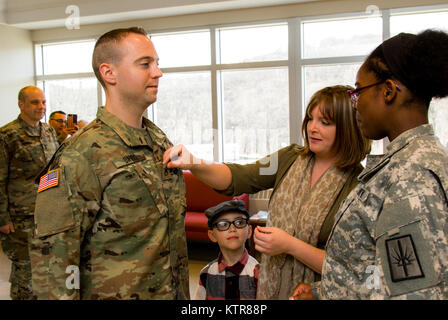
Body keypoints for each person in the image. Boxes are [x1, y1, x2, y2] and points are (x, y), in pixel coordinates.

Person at [164, 85, 371, 299]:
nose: (312, 128)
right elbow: (238, 176)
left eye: (325, 122)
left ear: (348, 128)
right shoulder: (288, 158)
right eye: (310, 119)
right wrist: (194, 163)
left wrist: (289, 245)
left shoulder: (359, 185)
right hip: (270, 288)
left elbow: (350, 268)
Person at [29, 27, 190, 300]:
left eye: (157, 63)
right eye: (145, 64)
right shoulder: (80, 156)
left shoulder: (157, 139)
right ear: (109, 73)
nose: (158, 73)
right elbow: (52, 267)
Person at [291, 29, 448, 300]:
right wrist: (323, 291)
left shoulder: (412, 175)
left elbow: (413, 293)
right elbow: (379, 273)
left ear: (388, 91)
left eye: (358, 91)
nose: (355, 104)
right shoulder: (402, 161)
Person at [0, 86, 59, 300]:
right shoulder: (7, 135)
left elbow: (55, 170)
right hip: (20, 215)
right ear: (21, 104)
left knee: (45, 266)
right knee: (25, 270)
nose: (41, 107)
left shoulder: (49, 132)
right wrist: (3, 218)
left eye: (43, 102)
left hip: (48, 212)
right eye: (35, 102)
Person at [194, 199, 259, 300]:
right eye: (223, 224)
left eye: (239, 222)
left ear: (249, 231)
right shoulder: (206, 273)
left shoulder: (257, 272)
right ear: (212, 236)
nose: (232, 229)